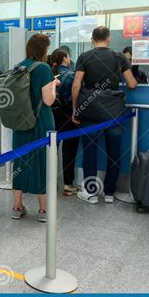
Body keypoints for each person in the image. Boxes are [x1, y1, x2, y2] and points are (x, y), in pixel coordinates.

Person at [71, 26, 137, 205]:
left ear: (92, 39)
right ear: (108, 39)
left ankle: (91, 193)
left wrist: (75, 109)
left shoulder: (84, 57)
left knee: (89, 152)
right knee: (113, 152)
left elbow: (76, 85)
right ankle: (109, 193)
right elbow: (131, 84)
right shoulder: (119, 56)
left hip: (90, 109)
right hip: (114, 111)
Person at [11, 34, 58, 222]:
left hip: (20, 122)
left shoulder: (18, 66)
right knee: (43, 163)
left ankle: (17, 207)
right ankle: (43, 211)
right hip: (40, 121)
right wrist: (54, 83)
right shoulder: (44, 68)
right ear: (44, 50)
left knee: (20, 163)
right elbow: (48, 99)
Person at [50, 49, 80, 196]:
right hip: (68, 117)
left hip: (50, 117)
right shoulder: (71, 74)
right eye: (68, 56)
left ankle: (49, 183)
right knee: (69, 151)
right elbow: (73, 95)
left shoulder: (48, 73)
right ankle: (68, 184)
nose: (70, 59)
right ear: (64, 58)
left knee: (51, 150)